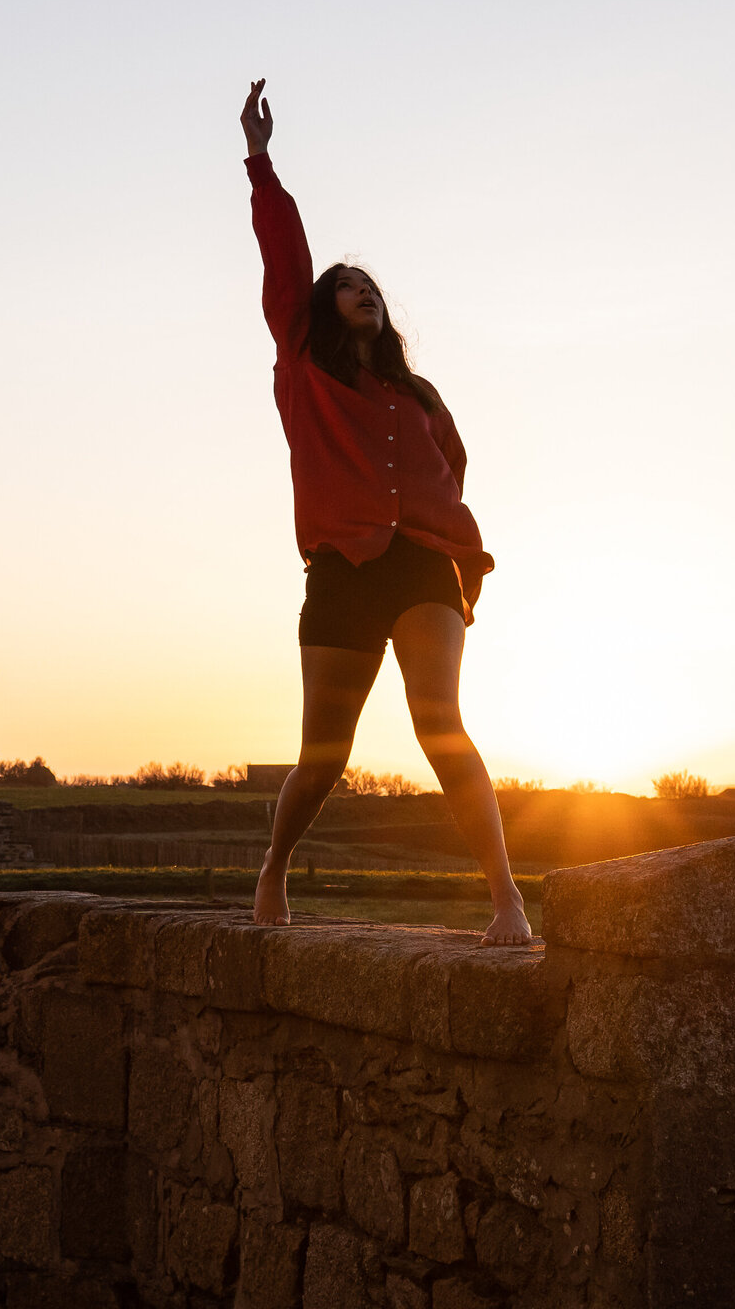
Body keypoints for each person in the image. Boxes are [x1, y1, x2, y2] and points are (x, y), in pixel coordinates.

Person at [240, 79, 532, 945]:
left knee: (441, 721)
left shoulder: (418, 391)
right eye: (349, 285)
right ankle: (275, 867)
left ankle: (507, 898)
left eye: (372, 285)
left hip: (423, 562)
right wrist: (260, 163)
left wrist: (447, 535)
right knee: (324, 757)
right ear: (326, 307)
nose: (364, 291)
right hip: (339, 567)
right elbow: (285, 260)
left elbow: (455, 463)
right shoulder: (305, 365)